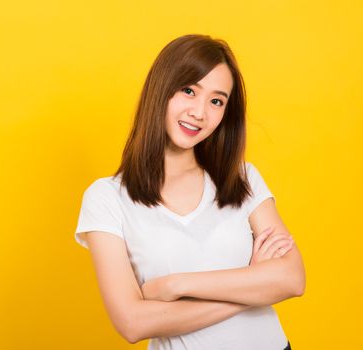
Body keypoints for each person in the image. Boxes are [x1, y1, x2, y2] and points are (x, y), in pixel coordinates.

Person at [74, 34, 305, 350]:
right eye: (188, 91)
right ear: (161, 90)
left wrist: (176, 285)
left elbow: (292, 279)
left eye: (216, 101)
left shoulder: (241, 178)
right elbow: (132, 323)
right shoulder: (107, 198)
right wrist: (252, 284)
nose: (200, 112)